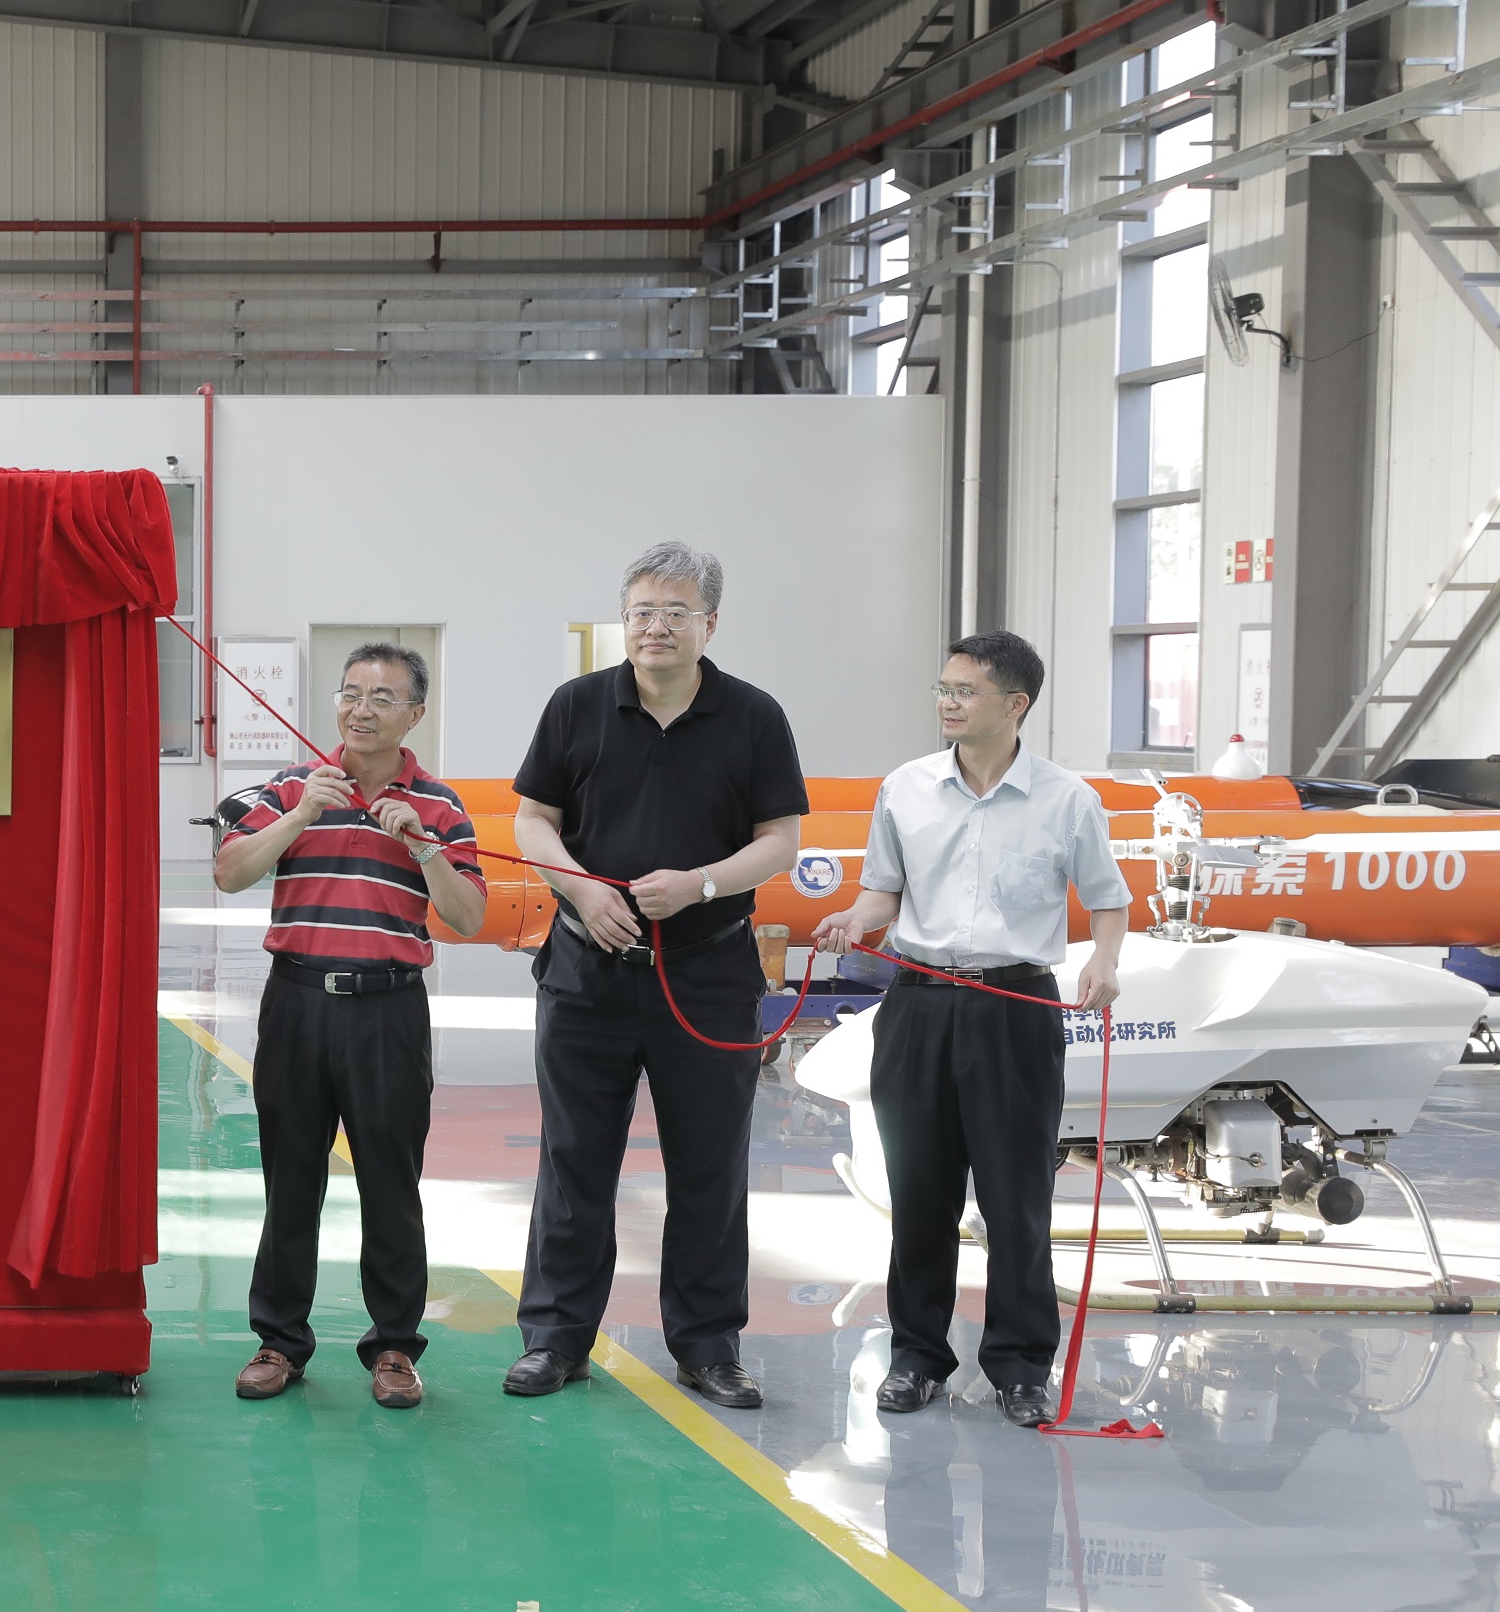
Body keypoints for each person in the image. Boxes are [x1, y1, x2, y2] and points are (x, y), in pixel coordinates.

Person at [506, 541, 808, 1409]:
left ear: (710, 623)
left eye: (676, 612)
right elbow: (533, 821)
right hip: (587, 973)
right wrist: (579, 888)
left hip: (708, 975)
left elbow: (780, 843)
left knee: (709, 1168)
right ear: (624, 619)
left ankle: (708, 1346)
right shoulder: (577, 705)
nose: (656, 627)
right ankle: (556, 1339)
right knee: (573, 1163)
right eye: (641, 611)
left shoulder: (753, 716)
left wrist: (702, 884)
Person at [813, 632, 1127, 1427]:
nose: (948, 703)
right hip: (919, 1004)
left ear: (1015, 704)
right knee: (920, 1194)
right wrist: (854, 919)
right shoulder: (905, 788)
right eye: (944, 689)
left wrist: (1104, 961)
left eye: (966, 691)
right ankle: (917, 1358)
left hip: (1016, 1007)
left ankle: (1021, 1367)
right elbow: (883, 891)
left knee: (1016, 1198)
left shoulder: (1067, 800)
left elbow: (1107, 899)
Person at [211, 643, 487, 1408]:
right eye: (351, 693)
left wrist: (424, 848)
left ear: (415, 715)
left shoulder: (439, 806)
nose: (361, 709)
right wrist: (302, 814)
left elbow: (468, 917)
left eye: (382, 697)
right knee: (290, 1178)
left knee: (391, 1185)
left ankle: (394, 1347)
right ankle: (280, 1341)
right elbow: (230, 872)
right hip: (297, 1004)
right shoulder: (292, 787)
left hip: (388, 1012)